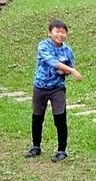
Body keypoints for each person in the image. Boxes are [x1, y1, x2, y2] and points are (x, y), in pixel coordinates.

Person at [26, 19, 83, 162]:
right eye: (57, 31)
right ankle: (36, 147)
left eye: (63, 32)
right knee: (37, 117)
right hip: (40, 86)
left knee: (60, 118)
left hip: (57, 89)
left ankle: (62, 150)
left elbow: (67, 66)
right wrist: (72, 71)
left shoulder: (67, 51)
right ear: (50, 33)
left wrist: (65, 72)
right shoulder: (43, 46)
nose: (60, 34)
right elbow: (51, 61)